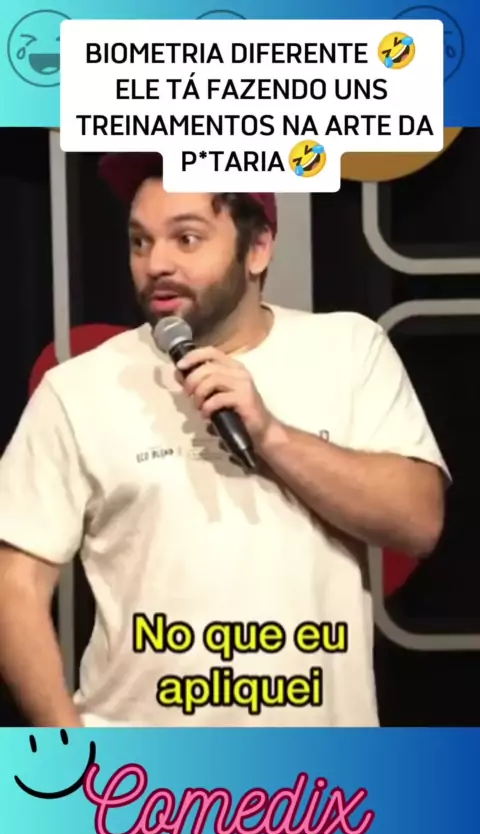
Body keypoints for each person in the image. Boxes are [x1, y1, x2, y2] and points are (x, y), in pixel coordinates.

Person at [0, 152, 449, 728]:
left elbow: (418, 521)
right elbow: (14, 584)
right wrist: (71, 752)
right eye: (140, 242)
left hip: (317, 768)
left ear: (258, 247)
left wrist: (271, 435)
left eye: (186, 239)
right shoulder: (79, 387)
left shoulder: (349, 349)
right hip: (143, 770)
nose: (157, 263)